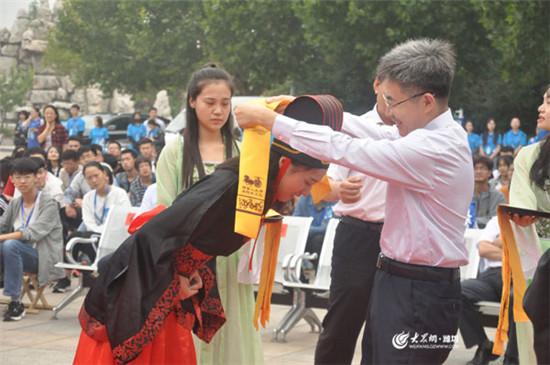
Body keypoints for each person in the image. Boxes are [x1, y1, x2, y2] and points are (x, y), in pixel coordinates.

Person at [236, 38, 474, 364]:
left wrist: (272, 122)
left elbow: (348, 149)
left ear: (427, 101)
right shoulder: (429, 135)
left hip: (420, 292)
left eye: (393, 101)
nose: (388, 112)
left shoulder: (434, 148)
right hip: (401, 282)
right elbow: (373, 133)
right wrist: (306, 108)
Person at [72, 95, 340, 364]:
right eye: (308, 182)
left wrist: (193, 270)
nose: (306, 193)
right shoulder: (231, 186)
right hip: (144, 285)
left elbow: (197, 237)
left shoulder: (254, 191)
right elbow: (155, 233)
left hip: (166, 288)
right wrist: (173, 278)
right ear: (283, 165)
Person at [155, 64, 256, 364]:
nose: (218, 111)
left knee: (234, 337)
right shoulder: (175, 152)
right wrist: (183, 266)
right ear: (191, 101)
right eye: (210, 102)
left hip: (232, 262)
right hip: (190, 266)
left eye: (225, 103)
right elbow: (164, 211)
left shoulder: (243, 150)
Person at [313, 77, 394, 365]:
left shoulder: (416, 135)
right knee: (342, 322)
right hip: (357, 235)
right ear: (377, 85)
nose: (394, 98)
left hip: (398, 239)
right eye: (390, 89)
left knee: (386, 326)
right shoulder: (353, 128)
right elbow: (329, 185)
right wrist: (339, 191)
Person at [507, 84, 550, 364]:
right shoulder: (529, 156)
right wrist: (520, 215)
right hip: (539, 262)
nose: (540, 107)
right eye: (543, 100)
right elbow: (521, 209)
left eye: (548, 101)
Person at [0, 158, 64, 321]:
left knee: (10, 244)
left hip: (41, 257)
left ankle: (16, 302)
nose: (22, 181)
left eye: (27, 177)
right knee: (9, 245)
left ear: (37, 178)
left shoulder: (49, 203)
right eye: (17, 177)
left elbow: (32, 233)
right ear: (12, 180)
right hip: (16, 254)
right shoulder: (15, 203)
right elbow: (2, 225)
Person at [458, 216, 518, 365]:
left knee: (517, 299)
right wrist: (510, 251)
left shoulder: (535, 221)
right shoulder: (498, 219)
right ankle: (484, 345)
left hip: (518, 277)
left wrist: (499, 242)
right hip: (492, 276)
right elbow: (483, 249)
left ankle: (512, 356)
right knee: (458, 291)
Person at [75, 162, 130, 260]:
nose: (94, 180)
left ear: (104, 174)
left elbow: (122, 220)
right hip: (94, 235)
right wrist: (98, 232)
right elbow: (88, 222)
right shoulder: (88, 197)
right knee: (74, 237)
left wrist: (102, 232)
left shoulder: (119, 194)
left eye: (96, 175)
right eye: (89, 178)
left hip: (114, 237)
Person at [472, 156, 506, 228]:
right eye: (475, 168)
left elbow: (496, 220)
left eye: (482, 168)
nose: (478, 171)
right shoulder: (466, 194)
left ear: (490, 173)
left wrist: (473, 221)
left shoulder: (498, 196)